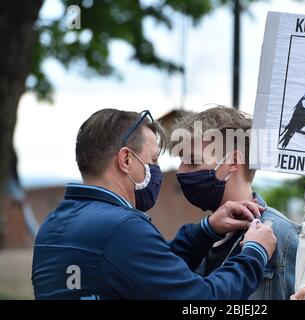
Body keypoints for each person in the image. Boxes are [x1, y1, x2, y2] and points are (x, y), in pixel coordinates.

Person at [32, 108, 277, 300]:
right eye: (153, 159)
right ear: (126, 159)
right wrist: (254, 253)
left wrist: (205, 230)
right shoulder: (122, 229)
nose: (161, 170)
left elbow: (141, 271)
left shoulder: (52, 226)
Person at [173, 106, 305, 300]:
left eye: (193, 161)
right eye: (181, 161)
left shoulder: (281, 236)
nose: (180, 171)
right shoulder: (199, 237)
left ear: (233, 161)